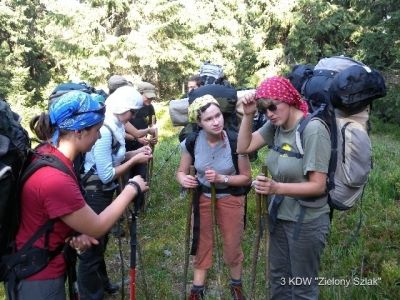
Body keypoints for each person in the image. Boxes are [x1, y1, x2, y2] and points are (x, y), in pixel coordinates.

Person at [11, 91, 148, 300]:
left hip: (37, 263)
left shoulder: (48, 153)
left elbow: (44, 212)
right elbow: (97, 226)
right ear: (79, 132)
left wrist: (70, 234)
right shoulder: (55, 179)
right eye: (96, 130)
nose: (100, 136)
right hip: (37, 277)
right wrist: (132, 188)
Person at [237, 76, 331, 300]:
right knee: (279, 279)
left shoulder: (313, 130)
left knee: (302, 287)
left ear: (288, 99)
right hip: (279, 217)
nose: (269, 113)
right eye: (264, 108)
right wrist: (249, 114)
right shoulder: (275, 125)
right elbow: (243, 147)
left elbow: (318, 186)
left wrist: (276, 187)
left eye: (273, 106)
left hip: (306, 221)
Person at [77, 85, 152, 300]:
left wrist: (136, 152)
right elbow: (107, 174)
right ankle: (91, 295)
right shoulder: (104, 130)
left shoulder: (115, 124)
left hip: (103, 191)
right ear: (122, 107)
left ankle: (101, 284)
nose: (134, 116)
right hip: (95, 192)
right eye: (133, 111)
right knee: (91, 247)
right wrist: (136, 160)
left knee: (100, 242)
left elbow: (115, 157)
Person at [176, 95, 251, 300]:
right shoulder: (192, 141)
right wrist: (184, 180)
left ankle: (236, 285)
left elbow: (246, 178)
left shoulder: (235, 140)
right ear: (199, 122)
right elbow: (181, 172)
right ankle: (197, 288)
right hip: (202, 198)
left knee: (232, 243)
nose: (216, 122)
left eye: (218, 115)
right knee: (202, 241)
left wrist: (221, 178)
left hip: (230, 197)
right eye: (209, 119)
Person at [125, 81, 158, 180]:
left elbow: (153, 124)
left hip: (142, 147)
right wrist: (136, 138)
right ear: (139, 93)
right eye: (148, 97)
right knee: (127, 177)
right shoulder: (128, 107)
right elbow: (120, 130)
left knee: (141, 175)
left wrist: (155, 137)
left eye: (152, 97)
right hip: (127, 147)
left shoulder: (149, 107)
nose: (150, 100)